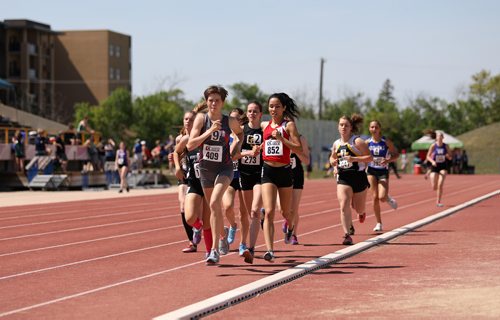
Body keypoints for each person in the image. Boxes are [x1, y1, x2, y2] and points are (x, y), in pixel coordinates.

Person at [186, 85, 243, 265]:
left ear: (223, 102)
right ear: (206, 102)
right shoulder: (201, 120)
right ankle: (223, 234)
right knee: (214, 208)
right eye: (210, 100)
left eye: (217, 100)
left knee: (214, 202)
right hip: (205, 170)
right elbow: (190, 145)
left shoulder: (230, 121)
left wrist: (235, 147)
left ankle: (214, 251)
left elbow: (240, 134)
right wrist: (210, 131)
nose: (213, 103)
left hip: (224, 168)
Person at [259, 93, 302, 262]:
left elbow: (298, 148)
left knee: (285, 212)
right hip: (268, 170)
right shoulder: (265, 125)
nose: (273, 109)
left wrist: (282, 139)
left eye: (277, 106)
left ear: (284, 108)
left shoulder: (289, 125)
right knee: (269, 212)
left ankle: (290, 227)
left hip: (284, 171)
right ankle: (270, 250)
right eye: (271, 106)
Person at [173, 107, 212, 255]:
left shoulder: (210, 137)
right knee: (189, 216)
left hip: (209, 182)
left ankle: (210, 252)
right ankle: (197, 226)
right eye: (186, 119)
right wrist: (177, 167)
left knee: (209, 221)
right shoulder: (185, 139)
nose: (189, 122)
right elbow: (176, 152)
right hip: (193, 181)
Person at [330, 114, 372, 245]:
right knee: (344, 205)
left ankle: (361, 212)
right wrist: (334, 164)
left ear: (351, 127)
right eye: (341, 125)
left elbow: (369, 158)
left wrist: (354, 159)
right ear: (338, 127)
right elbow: (332, 158)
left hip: (358, 177)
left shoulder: (357, 142)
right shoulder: (336, 143)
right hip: (343, 177)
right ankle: (347, 234)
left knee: (357, 208)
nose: (343, 127)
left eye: (346, 125)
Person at [236, 101, 264, 264]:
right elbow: (233, 155)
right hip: (244, 174)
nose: (252, 113)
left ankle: (250, 248)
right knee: (247, 214)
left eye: (255, 111)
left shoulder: (264, 131)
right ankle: (260, 214)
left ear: (260, 114)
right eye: (249, 111)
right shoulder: (241, 132)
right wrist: (249, 153)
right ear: (246, 114)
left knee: (253, 211)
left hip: (260, 175)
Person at [221, 108, 250, 260]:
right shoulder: (225, 136)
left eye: (235, 119)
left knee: (244, 213)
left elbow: (244, 154)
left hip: (244, 175)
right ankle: (233, 225)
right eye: (230, 119)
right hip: (230, 175)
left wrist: (248, 153)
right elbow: (230, 156)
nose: (231, 121)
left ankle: (243, 244)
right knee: (227, 206)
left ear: (240, 121)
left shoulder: (245, 135)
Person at [366, 120, 399, 233]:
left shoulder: (386, 142)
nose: (374, 129)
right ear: (369, 129)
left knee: (382, 197)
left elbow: (396, 154)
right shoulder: (367, 143)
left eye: (376, 127)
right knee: (374, 197)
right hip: (371, 171)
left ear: (379, 129)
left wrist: (388, 159)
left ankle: (387, 198)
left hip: (383, 172)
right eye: (372, 127)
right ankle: (379, 223)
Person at [279, 134, 311, 245]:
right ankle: (287, 220)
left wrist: (295, 150)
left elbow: (307, 161)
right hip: (282, 174)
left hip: (296, 175)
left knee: (294, 209)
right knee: (282, 207)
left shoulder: (301, 138)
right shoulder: (276, 135)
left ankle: (293, 234)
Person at [426, 130, 452, 206]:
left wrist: (448, 156)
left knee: (440, 184)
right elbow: (427, 156)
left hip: (443, 166)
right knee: (434, 186)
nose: (439, 137)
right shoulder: (433, 146)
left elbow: (450, 156)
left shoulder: (446, 146)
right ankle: (430, 173)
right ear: (436, 138)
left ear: (443, 137)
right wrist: (432, 161)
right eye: (438, 136)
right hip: (435, 166)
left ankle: (438, 201)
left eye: (441, 136)